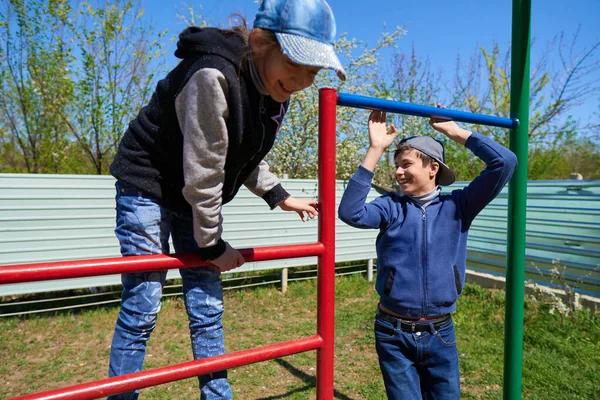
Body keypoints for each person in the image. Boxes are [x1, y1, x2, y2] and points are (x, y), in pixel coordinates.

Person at [107, 0, 346, 398]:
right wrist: (213, 244)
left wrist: (278, 194)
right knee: (144, 302)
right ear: (262, 42)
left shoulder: (274, 91)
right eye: (296, 64)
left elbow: (243, 153)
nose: (303, 80)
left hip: (195, 196)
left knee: (207, 306)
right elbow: (205, 167)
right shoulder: (213, 75)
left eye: (314, 71)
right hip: (149, 185)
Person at [338, 108, 517, 399]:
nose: (398, 171)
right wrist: (375, 149)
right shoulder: (390, 207)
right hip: (392, 333)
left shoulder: (459, 206)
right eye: (396, 164)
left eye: (406, 164)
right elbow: (350, 212)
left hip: (440, 333)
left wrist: (456, 133)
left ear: (433, 168)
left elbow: (505, 162)